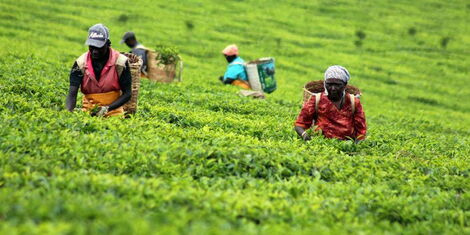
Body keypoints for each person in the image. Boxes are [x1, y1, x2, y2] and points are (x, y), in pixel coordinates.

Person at [66, 23, 132, 117]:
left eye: (99, 47)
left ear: (108, 44)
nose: (95, 51)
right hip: (89, 112)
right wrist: (67, 114)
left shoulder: (120, 62)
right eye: (92, 47)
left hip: (114, 113)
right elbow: (72, 93)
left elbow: (127, 93)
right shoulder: (80, 64)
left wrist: (106, 109)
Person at [294, 65, 367, 141]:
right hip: (322, 143)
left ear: (345, 85)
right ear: (325, 84)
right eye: (329, 84)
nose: (333, 89)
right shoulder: (317, 99)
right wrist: (305, 136)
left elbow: (361, 130)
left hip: (346, 144)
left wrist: (356, 145)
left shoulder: (353, 102)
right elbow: (300, 124)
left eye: (337, 85)